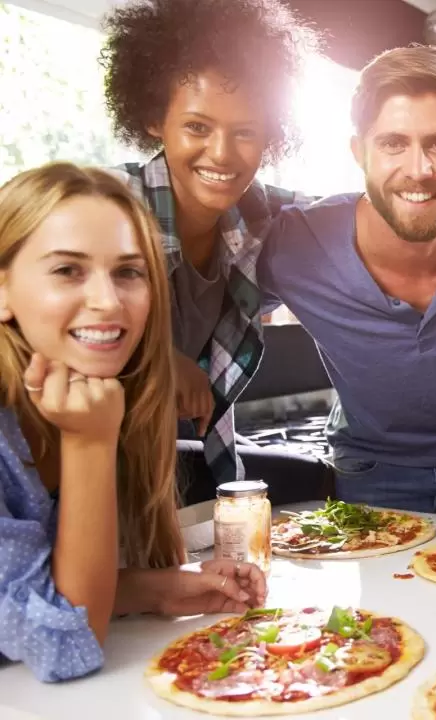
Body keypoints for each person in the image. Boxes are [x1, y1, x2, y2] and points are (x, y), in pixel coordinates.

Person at [100, 1, 436, 504]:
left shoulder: (261, 218)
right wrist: (155, 356)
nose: (221, 153)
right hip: (56, 462)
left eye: (245, 131)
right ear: (154, 118)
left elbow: (368, 211)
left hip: (154, 466)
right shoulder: (102, 205)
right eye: (197, 127)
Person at [0, 163, 266, 683]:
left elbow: (29, 594)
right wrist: (89, 445)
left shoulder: (101, 390)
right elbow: (67, 647)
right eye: (67, 270)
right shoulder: (91, 421)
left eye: (128, 272)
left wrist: (157, 588)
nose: (108, 301)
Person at [258, 44, 436, 513]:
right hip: (368, 473)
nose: (418, 171)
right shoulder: (295, 245)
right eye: (392, 143)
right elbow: (196, 265)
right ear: (359, 152)